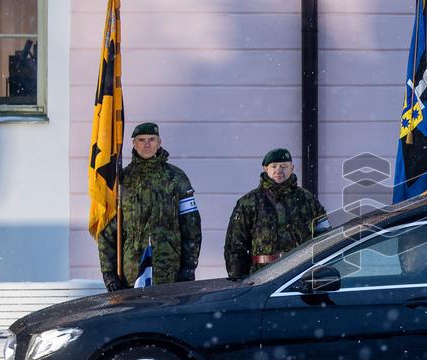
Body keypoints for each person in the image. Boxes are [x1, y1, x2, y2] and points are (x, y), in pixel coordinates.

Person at [99, 122, 202, 291]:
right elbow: (107, 232)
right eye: (141, 140)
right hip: (130, 273)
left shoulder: (176, 178)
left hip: (170, 271)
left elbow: (191, 227)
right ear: (134, 143)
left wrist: (189, 267)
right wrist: (109, 273)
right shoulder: (121, 181)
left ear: (159, 142)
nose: (147, 144)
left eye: (152, 139)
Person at [224, 148, 329, 278]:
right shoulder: (249, 202)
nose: (278, 170)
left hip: (301, 275)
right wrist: (238, 279)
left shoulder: (308, 200)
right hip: (261, 277)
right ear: (265, 168)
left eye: (284, 166)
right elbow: (235, 245)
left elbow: (325, 236)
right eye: (273, 166)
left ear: (292, 168)